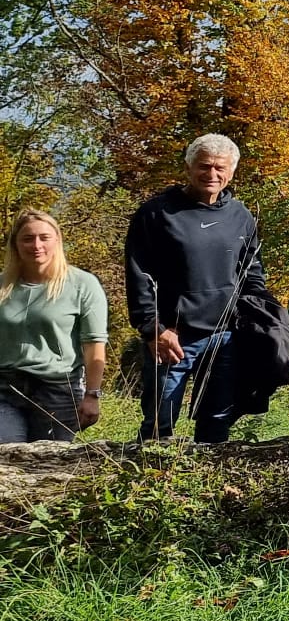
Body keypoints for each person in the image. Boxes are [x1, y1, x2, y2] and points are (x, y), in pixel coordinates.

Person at [125, 133, 268, 442]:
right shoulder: (156, 214)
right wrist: (152, 327)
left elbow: (251, 272)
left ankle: (209, 488)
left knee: (216, 425)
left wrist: (256, 320)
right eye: (204, 166)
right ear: (189, 167)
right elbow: (139, 275)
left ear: (232, 171)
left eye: (220, 168)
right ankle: (151, 484)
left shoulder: (241, 216)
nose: (212, 175)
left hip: (225, 337)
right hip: (172, 336)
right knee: (158, 425)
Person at [0, 211, 109, 444]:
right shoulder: (3, 285)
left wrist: (92, 395)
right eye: (27, 238)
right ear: (15, 244)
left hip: (57, 391)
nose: (36, 245)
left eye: (44, 237)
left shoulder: (82, 285)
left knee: (47, 464)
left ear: (57, 240)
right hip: (5, 388)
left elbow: (94, 346)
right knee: (6, 457)